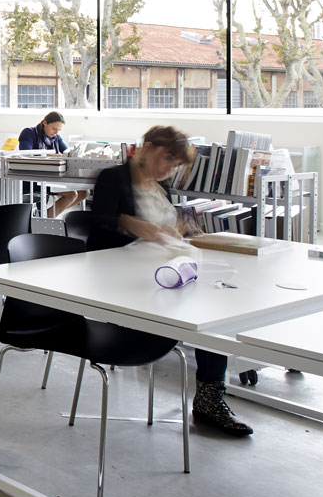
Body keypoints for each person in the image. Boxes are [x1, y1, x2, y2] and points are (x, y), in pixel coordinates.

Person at [87, 125, 250, 436]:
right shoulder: (114, 178)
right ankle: (210, 396)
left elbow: (167, 229)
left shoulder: (163, 190)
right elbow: (95, 224)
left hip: (164, 272)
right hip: (125, 279)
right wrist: (130, 224)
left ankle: (210, 395)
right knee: (206, 309)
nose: (169, 169)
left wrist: (182, 229)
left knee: (214, 306)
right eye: (167, 159)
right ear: (147, 147)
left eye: (175, 165)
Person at [16, 110, 87, 216]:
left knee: (85, 192)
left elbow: (67, 154)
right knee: (72, 194)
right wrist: (50, 155)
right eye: (54, 128)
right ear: (45, 123)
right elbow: (25, 154)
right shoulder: (29, 132)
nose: (56, 132)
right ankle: (47, 220)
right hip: (34, 178)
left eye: (59, 130)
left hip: (52, 177)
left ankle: (45, 216)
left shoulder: (56, 138)